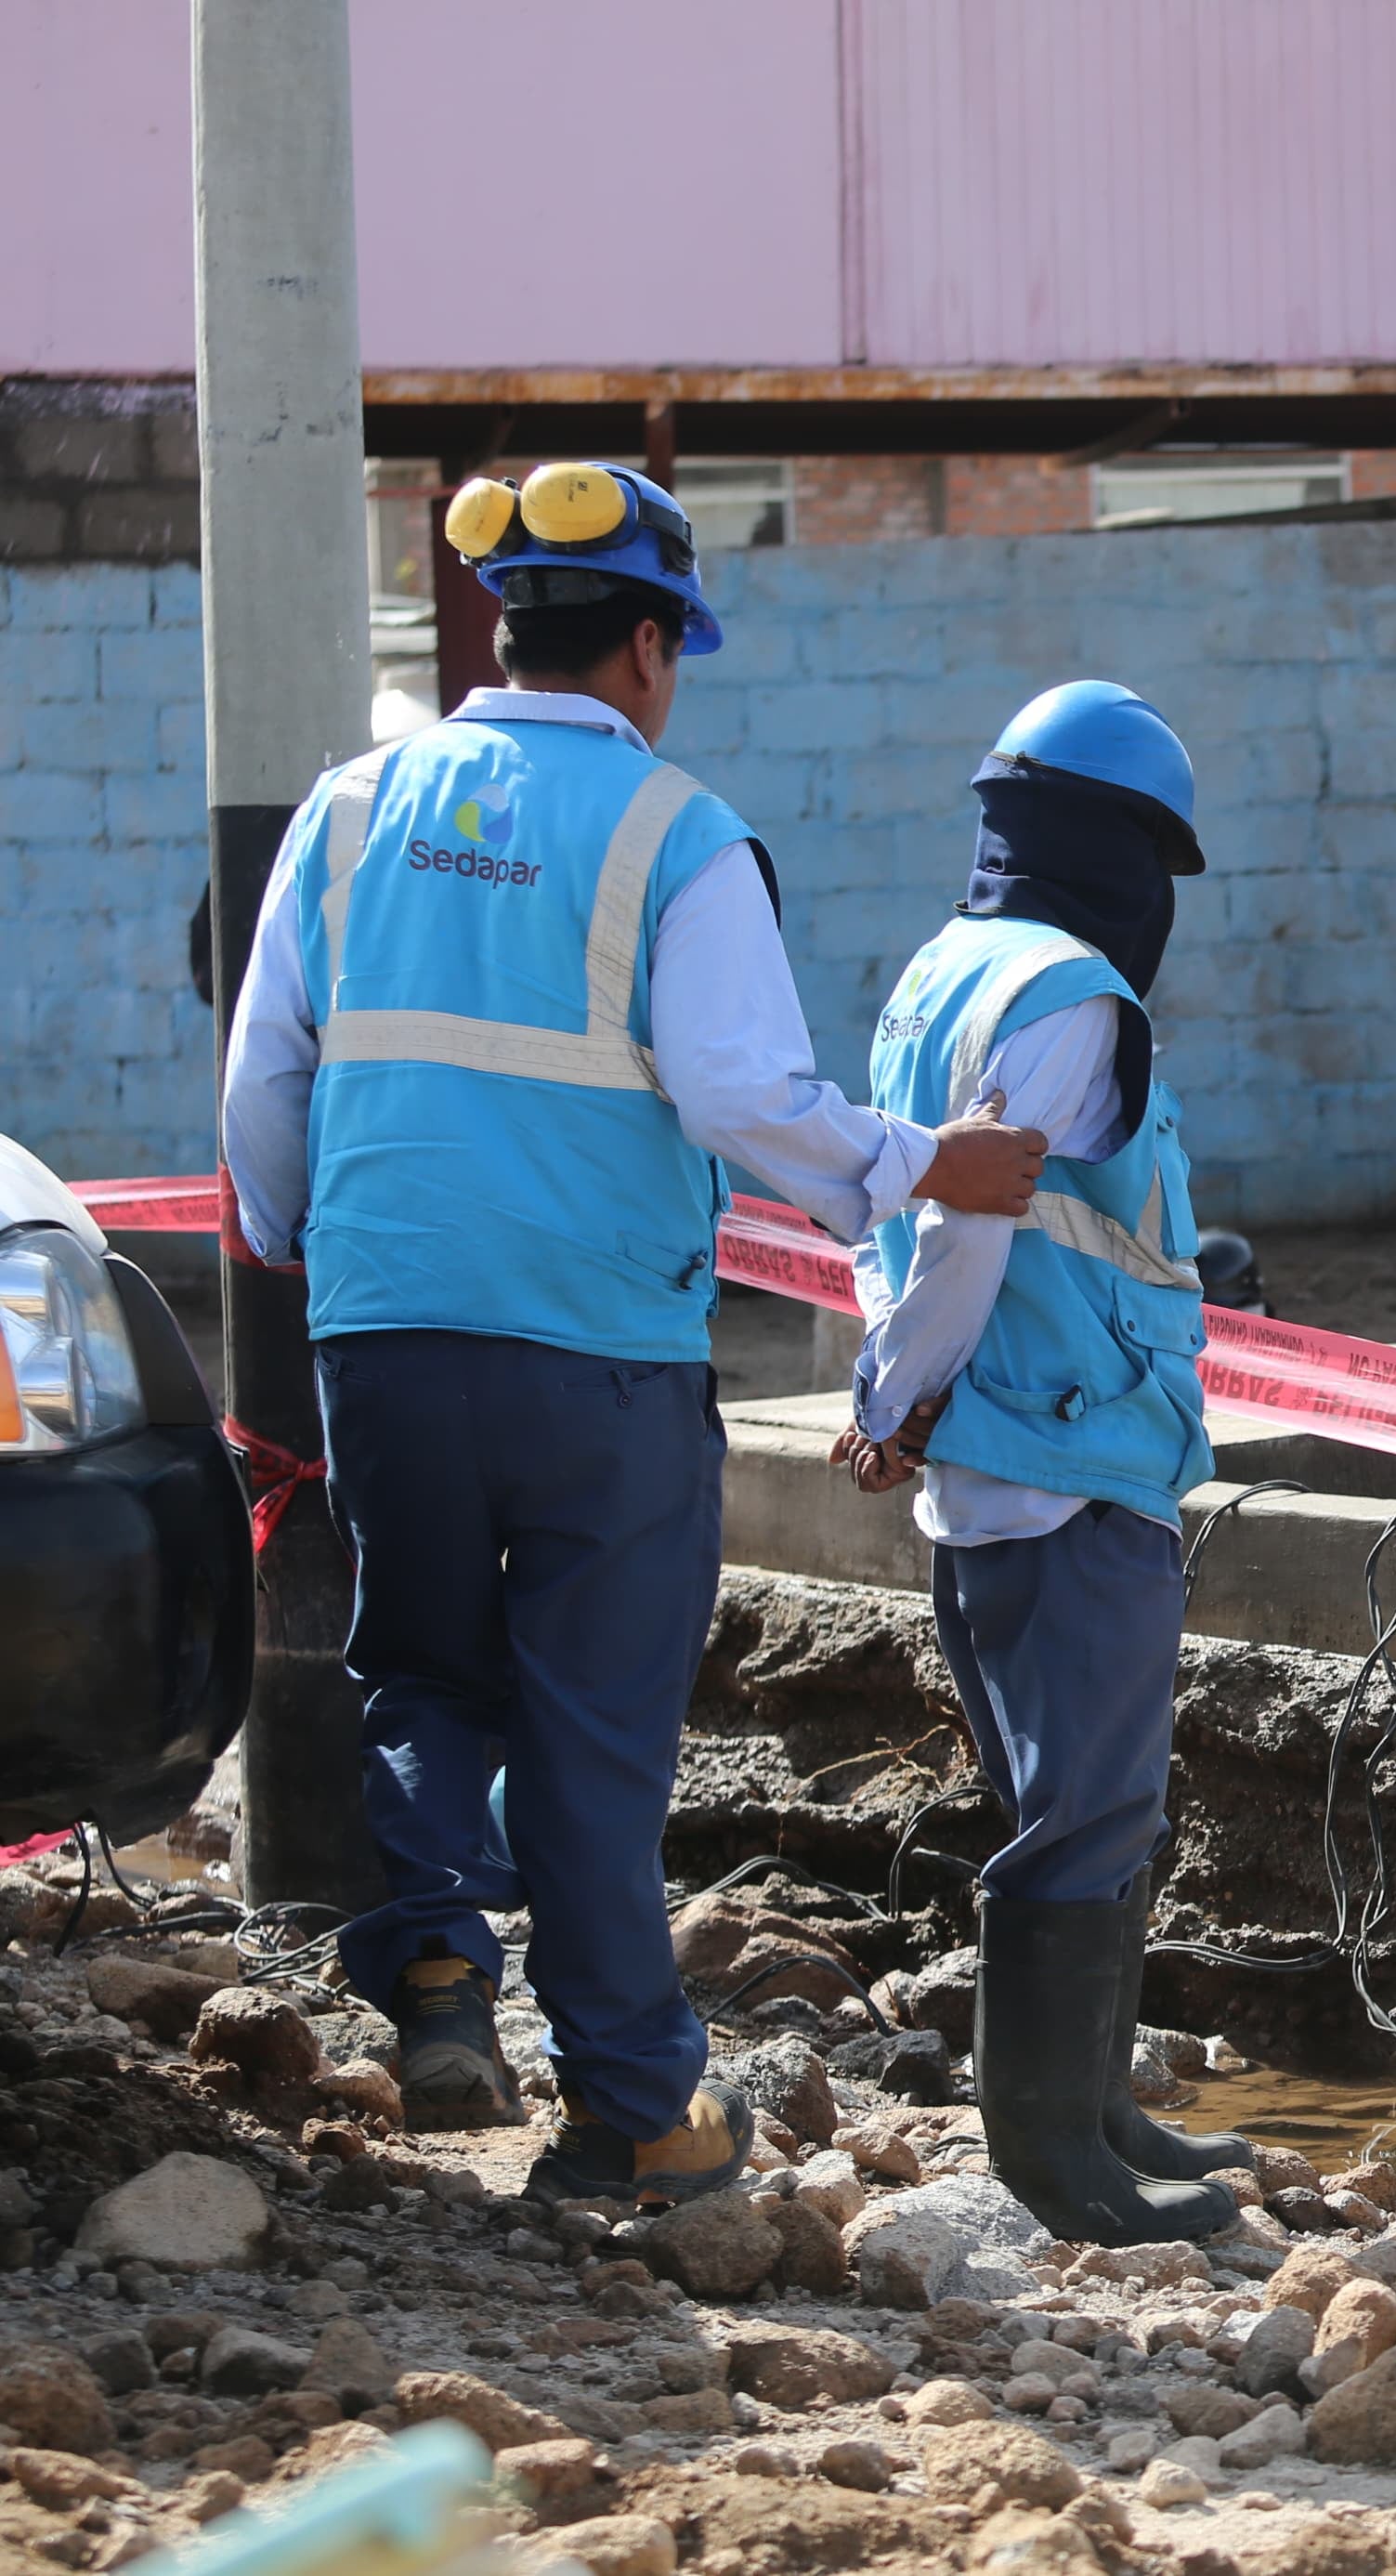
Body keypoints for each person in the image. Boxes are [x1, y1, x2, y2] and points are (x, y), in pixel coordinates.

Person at [218, 462, 1049, 2203]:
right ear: (654, 647)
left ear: (497, 627)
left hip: (387, 1327)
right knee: (593, 1721)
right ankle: (629, 2108)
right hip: (597, 1345)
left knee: (425, 1661)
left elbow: (268, 1078)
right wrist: (917, 1168)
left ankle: (438, 1973)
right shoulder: (678, 831)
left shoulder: (351, 806)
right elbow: (748, 1092)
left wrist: (312, 1262)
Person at [833, 681, 1242, 2246]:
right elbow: (966, 1224)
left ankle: (1093, 2108)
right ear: (1117, 848)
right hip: (1071, 1444)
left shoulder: (939, 968)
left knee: (1069, 1797)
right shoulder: (1070, 994)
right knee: (1087, 1805)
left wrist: (907, 1394)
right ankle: (1048, 2154)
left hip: (997, 1445)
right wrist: (894, 1388)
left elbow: (890, 1212)